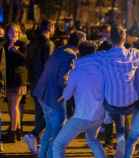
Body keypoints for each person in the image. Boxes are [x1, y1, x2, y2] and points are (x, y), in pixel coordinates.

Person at [99, 25, 139, 158]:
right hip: (130, 102)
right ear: (124, 38)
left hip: (112, 102)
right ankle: (129, 147)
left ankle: (119, 140)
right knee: (132, 120)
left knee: (115, 112)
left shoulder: (103, 56)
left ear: (110, 38)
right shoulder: (134, 54)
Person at [33, 31, 86, 158]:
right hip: (54, 97)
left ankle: (42, 155)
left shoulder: (60, 50)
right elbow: (62, 79)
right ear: (80, 44)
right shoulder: (70, 56)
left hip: (42, 94)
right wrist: (73, 88)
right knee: (57, 135)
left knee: (49, 131)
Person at [52, 41, 105, 158]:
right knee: (92, 139)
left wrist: (66, 83)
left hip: (83, 116)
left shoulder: (77, 70)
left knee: (58, 144)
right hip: (99, 114)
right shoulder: (102, 69)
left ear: (80, 52)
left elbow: (67, 95)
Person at [24, 19, 55, 155]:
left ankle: (35, 141)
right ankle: (34, 135)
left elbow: (29, 63)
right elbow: (48, 66)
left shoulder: (32, 43)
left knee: (40, 113)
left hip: (34, 82)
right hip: (45, 83)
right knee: (52, 115)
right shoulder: (48, 44)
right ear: (50, 28)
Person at [5, 24, 28, 143]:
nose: (14, 34)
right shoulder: (4, 45)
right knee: (11, 107)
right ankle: (18, 130)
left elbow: (26, 60)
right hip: (8, 79)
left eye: (16, 32)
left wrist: (15, 51)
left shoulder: (22, 44)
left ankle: (12, 133)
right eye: (11, 32)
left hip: (19, 79)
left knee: (14, 106)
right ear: (7, 33)